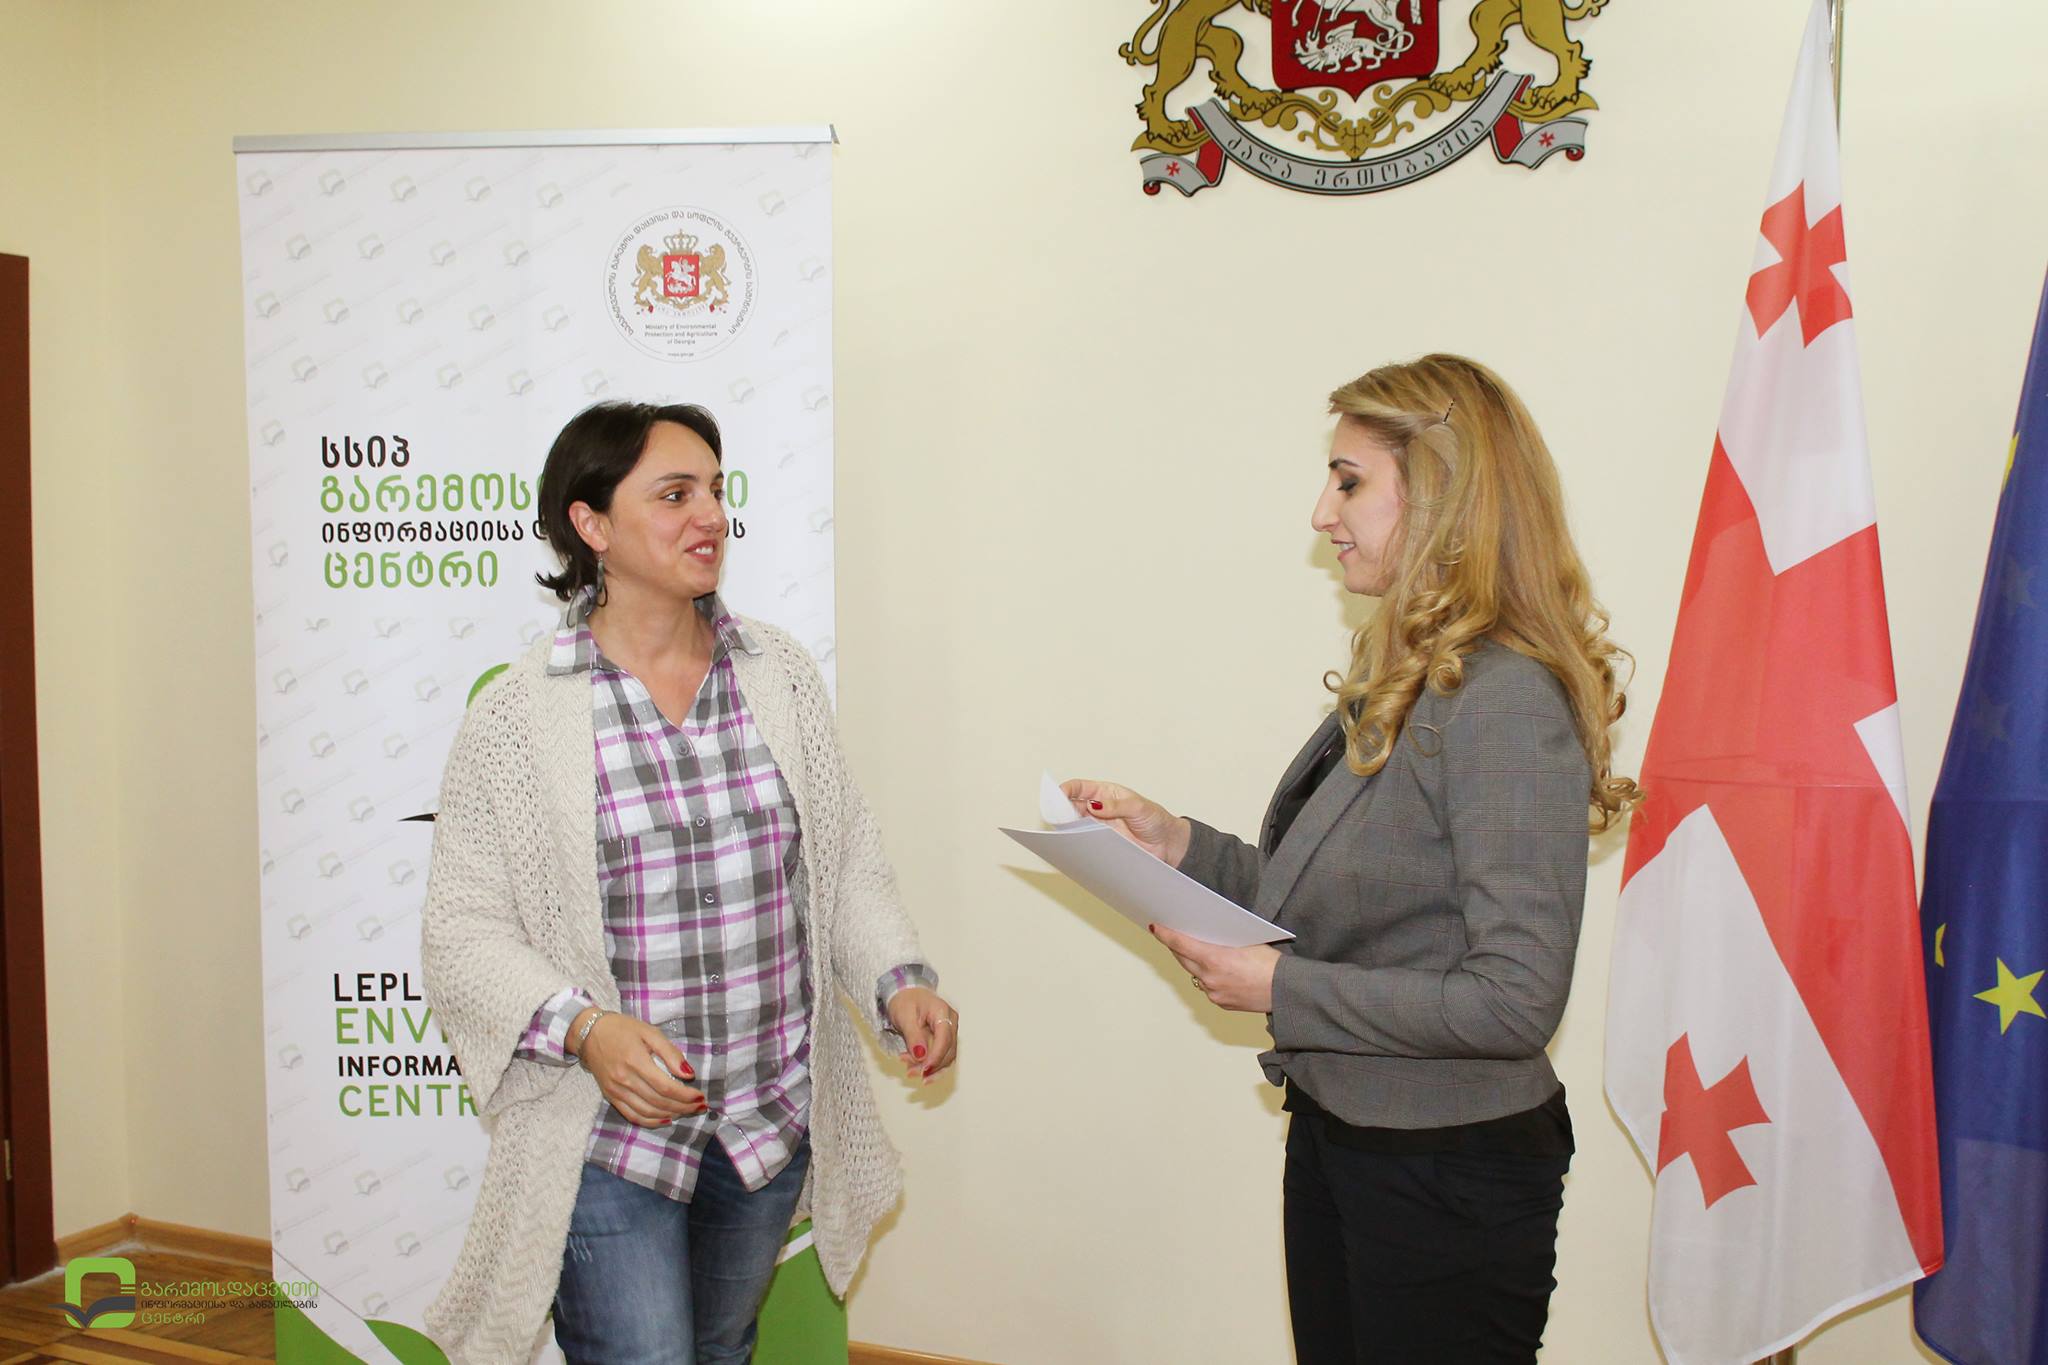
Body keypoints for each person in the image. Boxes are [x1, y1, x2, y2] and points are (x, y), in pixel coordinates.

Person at [1066, 354, 1639, 1364]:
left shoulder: (1504, 696)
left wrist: (1279, 990)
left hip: (1448, 1171)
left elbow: (1515, 1000)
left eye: (1348, 481)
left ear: (1445, 495)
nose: (1321, 514)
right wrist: (1174, 843)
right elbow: (1326, 904)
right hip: (1346, 1135)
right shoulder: (1414, 670)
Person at [419, 400, 959, 1365]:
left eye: (714, 489)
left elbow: (842, 863)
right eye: (674, 494)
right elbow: (463, 932)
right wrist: (587, 1028)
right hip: (607, 1138)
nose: (709, 514)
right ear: (591, 524)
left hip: (764, 1119)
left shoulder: (778, 675)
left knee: (720, 1349)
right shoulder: (517, 717)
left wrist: (898, 979)